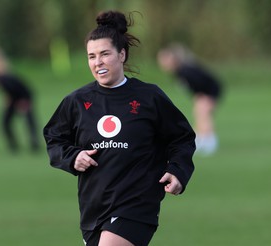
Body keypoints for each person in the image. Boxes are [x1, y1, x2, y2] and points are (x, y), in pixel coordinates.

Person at [43, 11, 195, 246]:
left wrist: (178, 171)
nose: (98, 62)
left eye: (105, 54)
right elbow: (54, 139)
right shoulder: (77, 101)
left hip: (137, 205)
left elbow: (182, 137)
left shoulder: (149, 97)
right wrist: (74, 157)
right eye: (91, 56)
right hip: (93, 208)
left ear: (121, 54)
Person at [157, 43, 223, 156]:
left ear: (172, 59)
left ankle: (210, 143)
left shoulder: (185, 70)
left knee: (204, 113)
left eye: (164, 60)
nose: (162, 64)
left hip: (210, 91)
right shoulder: (179, 72)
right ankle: (201, 140)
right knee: (199, 112)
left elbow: (203, 81)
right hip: (202, 92)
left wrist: (204, 96)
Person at [0, 46, 40, 153]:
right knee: (6, 122)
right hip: (15, 97)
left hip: (22, 96)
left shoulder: (1, 74)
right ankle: (14, 146)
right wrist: (7, 97)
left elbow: (16, 87)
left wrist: (19, 100)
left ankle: (34, 144)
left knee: (28, 120)